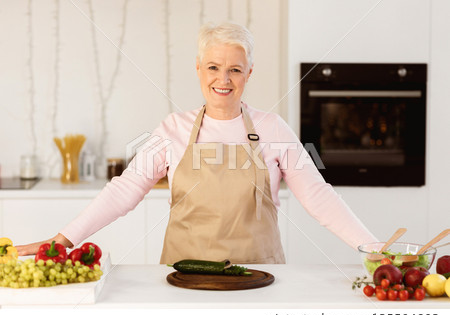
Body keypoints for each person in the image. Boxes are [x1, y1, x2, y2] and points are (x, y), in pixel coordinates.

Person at [17, 22, 377, 264]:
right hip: (181, 280)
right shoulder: (172, 129)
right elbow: (123, 191)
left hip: (261, 280)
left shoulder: (273, 129)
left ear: (249, 73)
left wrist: (375, 249)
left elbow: (319, 197)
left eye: (235, 69)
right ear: (198, 68)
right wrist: (64, 239)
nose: (224, 79)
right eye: (213, 67)